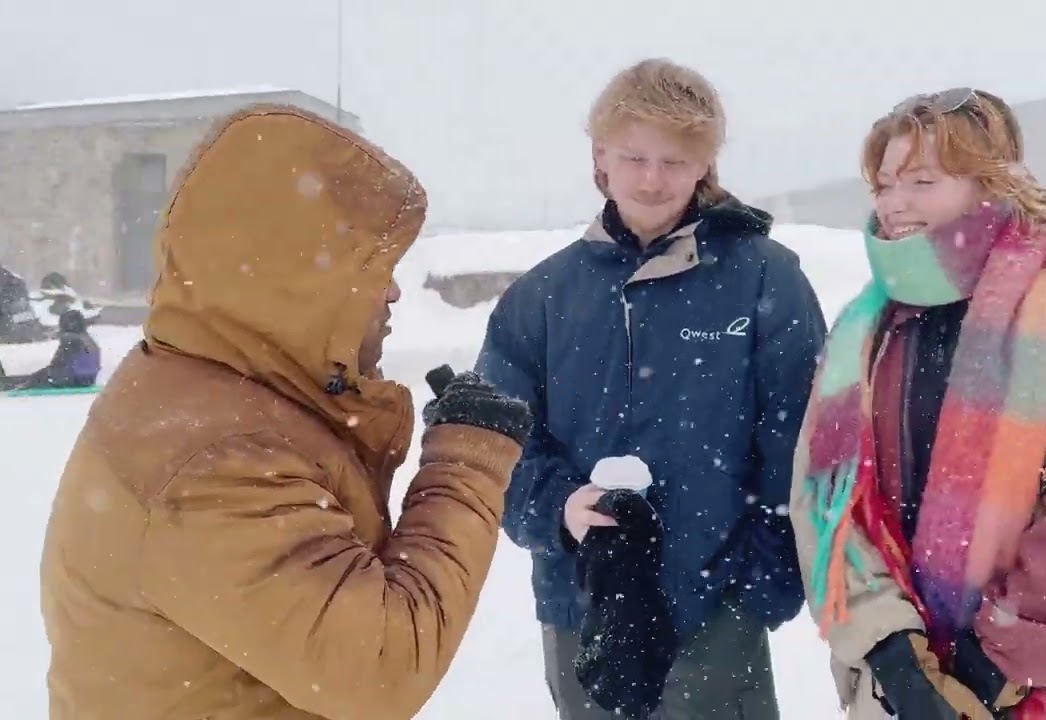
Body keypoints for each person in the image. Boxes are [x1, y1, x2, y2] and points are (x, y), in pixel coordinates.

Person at [40, 103, 533, 720]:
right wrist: (467, 462)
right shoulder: (216, 461)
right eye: (374, 270)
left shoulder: (212, 387)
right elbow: (379, 666)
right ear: (298, 280)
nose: (393, 292)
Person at [789, 88, 1046, 719]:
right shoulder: (863, 333)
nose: (895, 204)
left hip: (1043, 691)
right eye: (884, 184)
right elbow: (826, 504)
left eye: (922, 180)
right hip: (897, 696)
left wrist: (983, 666)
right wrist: (897, 659)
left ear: (989, 185)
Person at [476, 58, 827, 719]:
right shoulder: (541, 297)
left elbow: (804, 437)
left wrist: (761, 584)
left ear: (705, 166)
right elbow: (495, 443)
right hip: (583, 602)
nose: (651, 178)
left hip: (717, 606)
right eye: (634, 156)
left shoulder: (765, 280)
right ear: (600, 158)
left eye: (674, 160)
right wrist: (558, 506)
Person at [0, 309, 100, 391]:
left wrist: (37, 377)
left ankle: (8, 385)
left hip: (70, 379)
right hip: (88, 379)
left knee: (32, 379)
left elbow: (58, 365)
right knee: (32, 377)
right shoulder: (88, 340)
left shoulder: (71, 340)